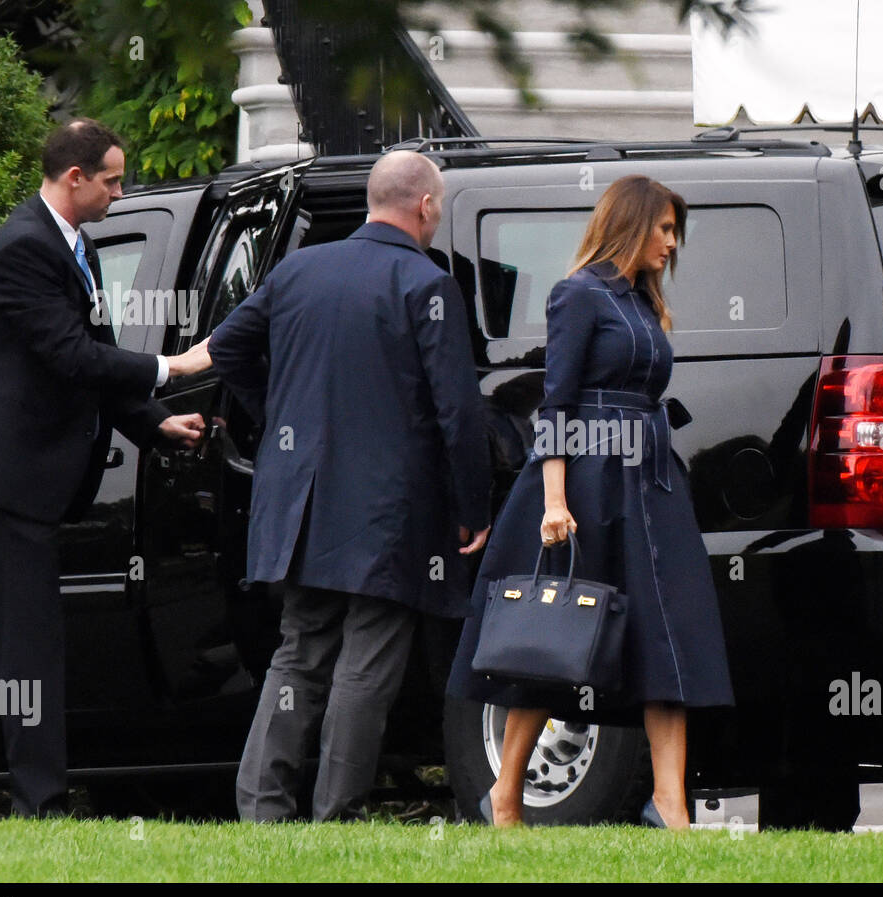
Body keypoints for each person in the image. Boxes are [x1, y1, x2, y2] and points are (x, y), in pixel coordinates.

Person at [209, 150, 492, 822]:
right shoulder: (424, 284)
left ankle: (261, 806)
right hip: (388, 513)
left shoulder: (298, 270)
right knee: (367, 661)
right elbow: (458, 411)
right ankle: (336, 814)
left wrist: (274, 413)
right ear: (425, 206)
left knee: (298, 655)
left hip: (301, 502)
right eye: (439, 205)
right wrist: (472, 506)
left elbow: (226, 350)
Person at [0, 118, 210, 817]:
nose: (122, 191)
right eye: (114, 180)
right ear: (75, 178)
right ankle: (42, 804)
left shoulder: (71, 244)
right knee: (29, 648)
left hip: (25, 480)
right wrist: (171, 366)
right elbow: (71, 356)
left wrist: (154, 422)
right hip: (9, 482)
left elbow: (92, 361)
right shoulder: (26, 247)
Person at [446, 174, 734, 830]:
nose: (671, 244)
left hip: (650, 485)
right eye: (662, 229)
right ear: (630, 224)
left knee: (667, 641)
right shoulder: (578, 295)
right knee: (555, 640)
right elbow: (557, 403)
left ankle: (670, 805)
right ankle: (506, 794)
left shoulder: (641, 300)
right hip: (585, 483)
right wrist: (553, 499)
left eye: (673, 232)